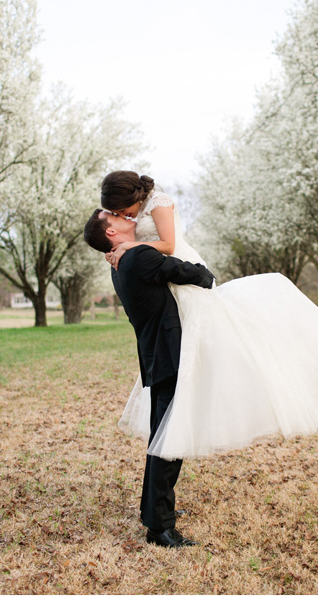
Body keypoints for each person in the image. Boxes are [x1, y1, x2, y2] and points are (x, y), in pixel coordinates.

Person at [97, 171, 318, 461]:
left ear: (133, 198)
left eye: (123, 210)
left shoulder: (159, 202)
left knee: (217, 338)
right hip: (162, 280)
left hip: (179, 270)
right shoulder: (131, 226)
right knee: (184, 352)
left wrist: (130, 245)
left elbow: (169, 246)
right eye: (117, 214)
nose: (123, 215)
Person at [84, 208, 214, 547]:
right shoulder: (139, 256)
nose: (126, 217)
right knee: (168, 441)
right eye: (114, 216)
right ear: (110, 233)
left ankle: (157, 509)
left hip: (158, 356)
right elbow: (197, 275)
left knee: (164, 436)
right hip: (169, 355)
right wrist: (205, 273)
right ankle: (159, 527)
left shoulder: (121, 261)